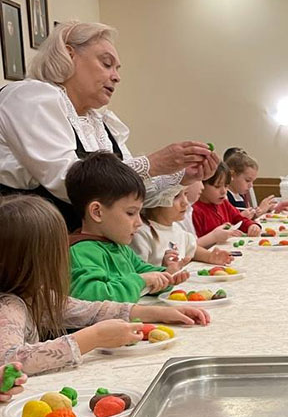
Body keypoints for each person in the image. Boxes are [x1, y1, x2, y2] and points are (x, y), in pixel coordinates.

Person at [0, 21, 219, 230]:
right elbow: (68, 182)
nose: (116, 77)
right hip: (29, 249)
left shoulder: (101, 122)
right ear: (69, 54)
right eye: (106, 64)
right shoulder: (30, 98)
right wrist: (152, 164)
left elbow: (125, 197)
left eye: (117, 68)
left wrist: (181, 176)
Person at [0, 196, 209, 375]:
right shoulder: (9, 306)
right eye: (58, 250)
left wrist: (161, 313)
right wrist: (95, 337)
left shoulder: (36, 295)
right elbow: (11, 361)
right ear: (33, 259)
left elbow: (92, 311)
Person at [66, 153, 189, 303]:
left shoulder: (118, 246)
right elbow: (94, 297)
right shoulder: (81, 252)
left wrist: (167, 275)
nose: (139, 222)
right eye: (131, 213)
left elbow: (143, 270)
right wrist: (141, 281)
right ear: (97, 212)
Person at [131, 185, 233, 268]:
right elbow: (138, 273)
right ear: (154, 201)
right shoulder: (142, 233)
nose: (185, 202)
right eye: (176, 196)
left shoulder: (176, 228)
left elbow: (192, 249)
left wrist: (210, 257)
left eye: (185, 194)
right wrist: (163, 270)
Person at [192, 162, 261, 238]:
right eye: (217, 186)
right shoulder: (195, 210)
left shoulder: (224, 203)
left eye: (226, 186)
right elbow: (196, 244)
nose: (224, 191)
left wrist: (251, 225)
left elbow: (238, 218)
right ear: (202, 185)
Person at [224, 151, 276, 218]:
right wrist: (261, 210)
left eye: (252, 181)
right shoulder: (225, 196)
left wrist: (257, 212)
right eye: (247, 180)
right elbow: (230, 221)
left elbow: (246, 219)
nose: (251, 185)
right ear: (232, 175)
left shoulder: (240, 195)